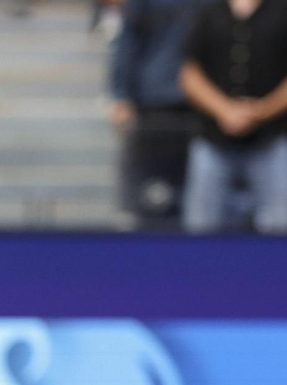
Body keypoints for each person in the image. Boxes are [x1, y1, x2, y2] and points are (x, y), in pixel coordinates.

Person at [177, 0, 287, 233]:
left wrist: (260, 111)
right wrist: (224, 110)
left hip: (272, 140)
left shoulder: (282, 11)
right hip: (213, 140)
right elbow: (190, 74)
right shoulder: (208, 12)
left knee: (280, 226)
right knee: (201, 228)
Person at [110, 0, 201, 221]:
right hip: (155, 103)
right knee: (151, 197)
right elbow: (128, 39)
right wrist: (121, 95)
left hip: (206, 109)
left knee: (201, 199)